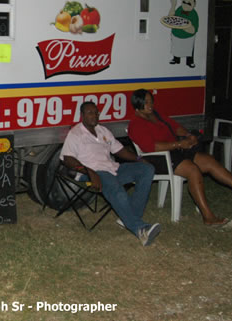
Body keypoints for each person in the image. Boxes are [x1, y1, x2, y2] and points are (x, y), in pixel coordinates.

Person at [128, 89, 232, 226]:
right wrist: (179, 143)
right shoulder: (136, 123)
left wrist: (187, 135)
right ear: (137, 104)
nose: (150, 105)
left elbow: (175, 127)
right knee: (193, 171)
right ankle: (208, 217)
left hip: (176, 150)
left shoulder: (156, 115)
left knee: (209, 161)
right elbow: (151, 147)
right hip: (158, 158)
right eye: (146, 102)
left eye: (151, 101)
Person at [61, 101, 160, 246]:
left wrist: (138, 159)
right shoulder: (75, 133)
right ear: (82, 115)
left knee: (146, 170)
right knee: (117, 191)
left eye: (96, 112)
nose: (94, 115)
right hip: (92, 172)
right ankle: (140, 229)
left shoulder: (103, 131)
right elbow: (67, 158)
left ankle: (129, 218)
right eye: (90, 113)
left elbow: (119, 150)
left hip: (112, 168)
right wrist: (88, 171)